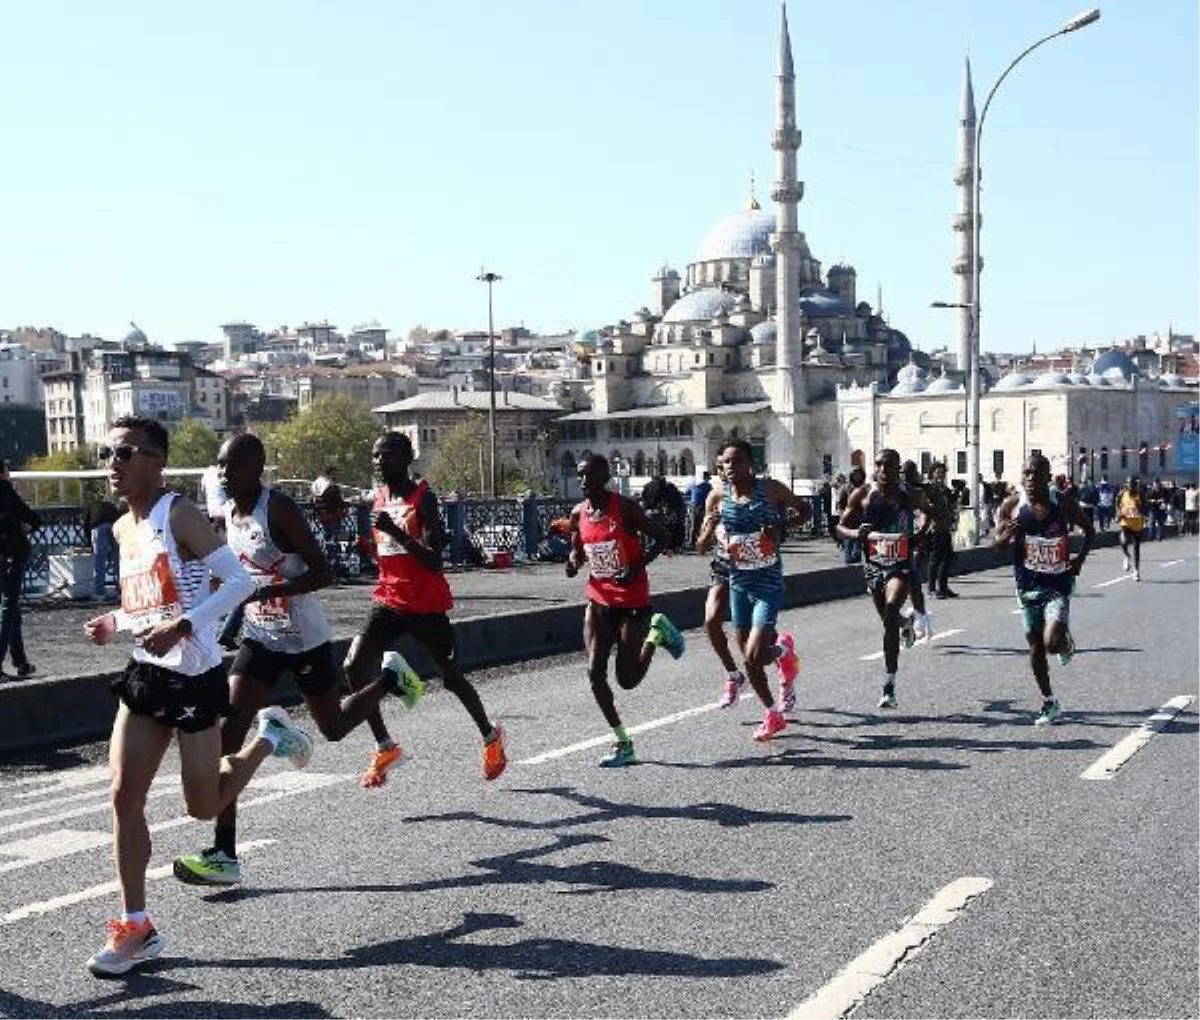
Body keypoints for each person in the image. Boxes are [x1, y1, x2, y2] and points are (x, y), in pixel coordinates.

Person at [81, 415, 313, 976]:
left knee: (202, 805)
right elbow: (145, 607)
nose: (114, 463)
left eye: (126, 452)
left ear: (156, 461)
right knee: (121, 794)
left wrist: (185, 626)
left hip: (195, 674)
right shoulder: (121, 529)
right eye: (109, 453)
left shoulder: (178, 514)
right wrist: (114, 622)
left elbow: (239, 582)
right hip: (146, 673)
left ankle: (266, 740)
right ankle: (136, 925)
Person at [173, 434, 420, 888]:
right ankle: (224, 852)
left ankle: (389, 678)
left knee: (333, 728)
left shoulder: (277, 509)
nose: (224, 475)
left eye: (232, 466)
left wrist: (271, 591)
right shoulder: (228, 514)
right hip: (261, 636)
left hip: (304, 637)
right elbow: (230, 572)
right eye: (220, 466)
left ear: (257, 468)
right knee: (227, 734)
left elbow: (323, 570)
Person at [344, 431, 507, 787]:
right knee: (354, 667)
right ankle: (384, 745)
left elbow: (434, 561)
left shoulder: (424, 498)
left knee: (449, 676)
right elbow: (392, 556)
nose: (377, 462)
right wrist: (370, 552)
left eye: (384, 455)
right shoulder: (379, 499)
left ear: (406, 459)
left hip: (425, 604)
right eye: (374, 456)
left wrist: (397, 533)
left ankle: (490, 735)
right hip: (388, 599)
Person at [565, 454, 685, 767]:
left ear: (604, 478)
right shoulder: (579, 512)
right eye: (579, 476)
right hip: (599, 599)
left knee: (627, 680)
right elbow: (578, 551)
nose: (582, 482)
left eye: (588, 476)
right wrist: (572, 562)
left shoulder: (626, 508)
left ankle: (656, 634)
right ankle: (623, 743)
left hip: (632, 600)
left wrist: (635, 568)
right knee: (594, 672)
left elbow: (662, 537)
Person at [696, 440, 808, 741]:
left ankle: (782, 651)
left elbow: (805, 510)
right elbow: (700, 546)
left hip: (768, 583)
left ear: (751, 464)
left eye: (737, 461)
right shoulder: (717, 496)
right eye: (726, 462)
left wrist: (782, 530)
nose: (731, 467)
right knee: (749, 657)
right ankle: (772, 713)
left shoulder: (770, 489)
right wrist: (710, 527)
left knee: (755, 654)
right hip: (737, 582)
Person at [993, 453, 1094, 726]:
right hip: (1026, 587)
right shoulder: (1012, 505)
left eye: (1036, 474)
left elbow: (1089, 529)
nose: (1029, 478)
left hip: (1057, 584)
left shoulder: (1061, 502)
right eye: (1025, 473)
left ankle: (1063, 639)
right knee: (1035, 646)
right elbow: (997, 545)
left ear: (1047, 478)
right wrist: (1008, 533)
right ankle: (1049, 701)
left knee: (1050, 643)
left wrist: (1079, 559)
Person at [835, 449, 933, 710]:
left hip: (899, 564)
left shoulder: (910, 496)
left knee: (890, 610)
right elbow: (839, 527)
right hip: (874, 565)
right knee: (888, 619)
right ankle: (907, 624)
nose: (882, 470)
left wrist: (919, 533)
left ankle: (889, 685)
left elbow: (928, 511)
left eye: (888, 466)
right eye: (878, 465)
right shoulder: (863, 495)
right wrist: (856, 533)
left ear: (897, 469)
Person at [0, 458, 41, 680]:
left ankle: (21, 662)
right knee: (8, 609)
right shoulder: (5, 491)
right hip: (11, 555)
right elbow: (33, 518)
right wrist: (24, 526)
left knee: (11, 610)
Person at [925, 462, 959, 599]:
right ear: (932, 473)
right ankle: (932, 589)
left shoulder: (943, 488)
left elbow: (950, 502)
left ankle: (943, 587)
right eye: (938, 472)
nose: (941, 475)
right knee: (935, 558)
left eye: (943, 472)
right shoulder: (930, 487)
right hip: (935, 527)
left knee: (948, 557)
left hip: (944, 527)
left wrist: (956, 491)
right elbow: (926, 504)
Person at [86, 495, 122, 602]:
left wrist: (88, 544)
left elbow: (86, 525)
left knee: (100, 561)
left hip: (99, 527)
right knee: (118, 561)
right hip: (115, 526)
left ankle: (99, 593)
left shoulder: (90, 507)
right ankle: (121, 592)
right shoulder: (111, 506)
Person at [1116, 477, 1146, 580]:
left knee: (1136, 548)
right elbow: (1117, 505)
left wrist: (1140, 509)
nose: (1130, 486)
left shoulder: (1140, 494)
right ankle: (1126, 556)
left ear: (1135, 485)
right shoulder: (1122, 493)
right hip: (1125, 521)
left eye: (1132, 484)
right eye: (1129, 484)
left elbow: (1145, 507)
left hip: (1137, 523)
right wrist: (1118, 514)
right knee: (1124, 540)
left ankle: (1136, 571)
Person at [685, 471, 713, 546]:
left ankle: (691, 542)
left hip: (693, 506)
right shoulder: (708, 486)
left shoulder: (692, 484)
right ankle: (700, 542)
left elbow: (686, 493)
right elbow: (711, 496)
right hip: (703, 507)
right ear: (706, 478)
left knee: (693, 525)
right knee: (702, 525)